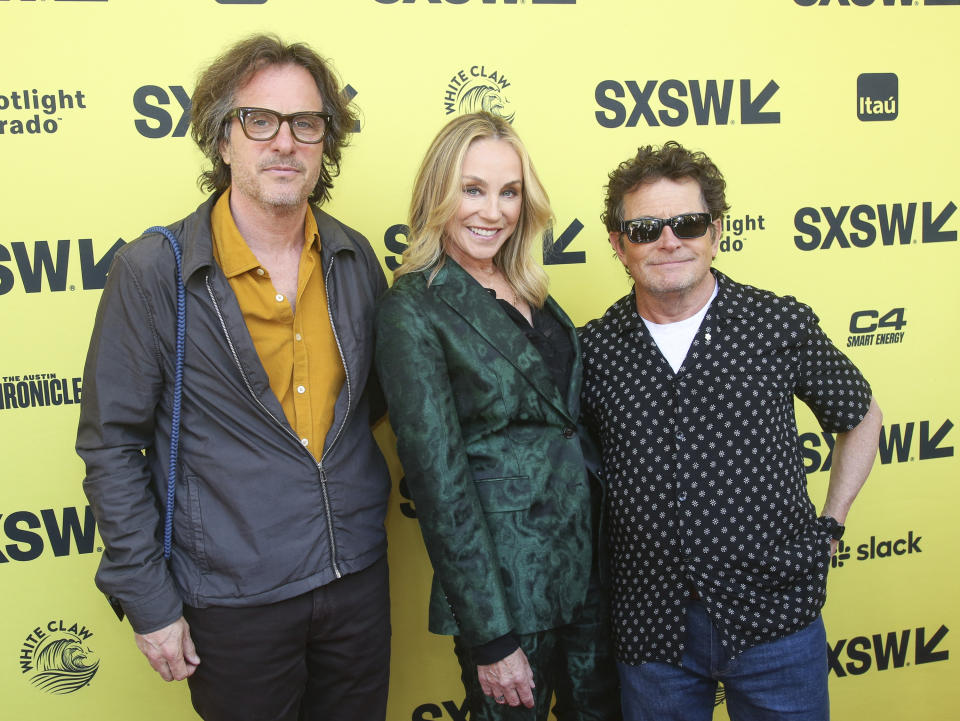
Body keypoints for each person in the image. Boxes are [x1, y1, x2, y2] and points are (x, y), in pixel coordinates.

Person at [76, 34, 391, 721]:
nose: (284, 142)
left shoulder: (352, 256)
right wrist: (150, 600)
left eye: (306, 124)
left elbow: (363, 408)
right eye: (260, 120)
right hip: (233, 601)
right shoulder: (154, 270)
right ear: (222, 139)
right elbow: (110, 447)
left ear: (325, 143)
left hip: (356, 578)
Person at [580, 141, 883, 721]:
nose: (668, 241)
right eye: (645, 229)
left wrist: (833, 523)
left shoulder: (776, 324)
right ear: (619, 245)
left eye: (687, 223)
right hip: (652, 632)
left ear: (715, 233)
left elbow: (860, 413)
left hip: (777, 619)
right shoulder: (592, 350)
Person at [375, 112, 620, 721]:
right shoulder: (414, 308)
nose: (494, 211)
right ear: (439, 194)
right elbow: (439, 483)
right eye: (473, 189)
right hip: (509, 587)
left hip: (586, 566)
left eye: (509, 192)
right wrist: (491, 635)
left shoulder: (526, 285)